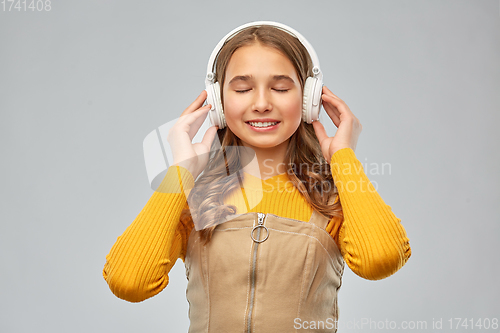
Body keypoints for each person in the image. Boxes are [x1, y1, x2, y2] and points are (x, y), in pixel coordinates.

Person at [103, 21, 411, 332]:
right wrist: (181, 171)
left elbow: (381, 260)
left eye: (280, 88)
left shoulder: (331, 199)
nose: (262, 104)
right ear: (218, 101)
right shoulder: (196, 201)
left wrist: (343, 160)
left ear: (308, 99)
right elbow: (129, 282)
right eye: (242, 89)